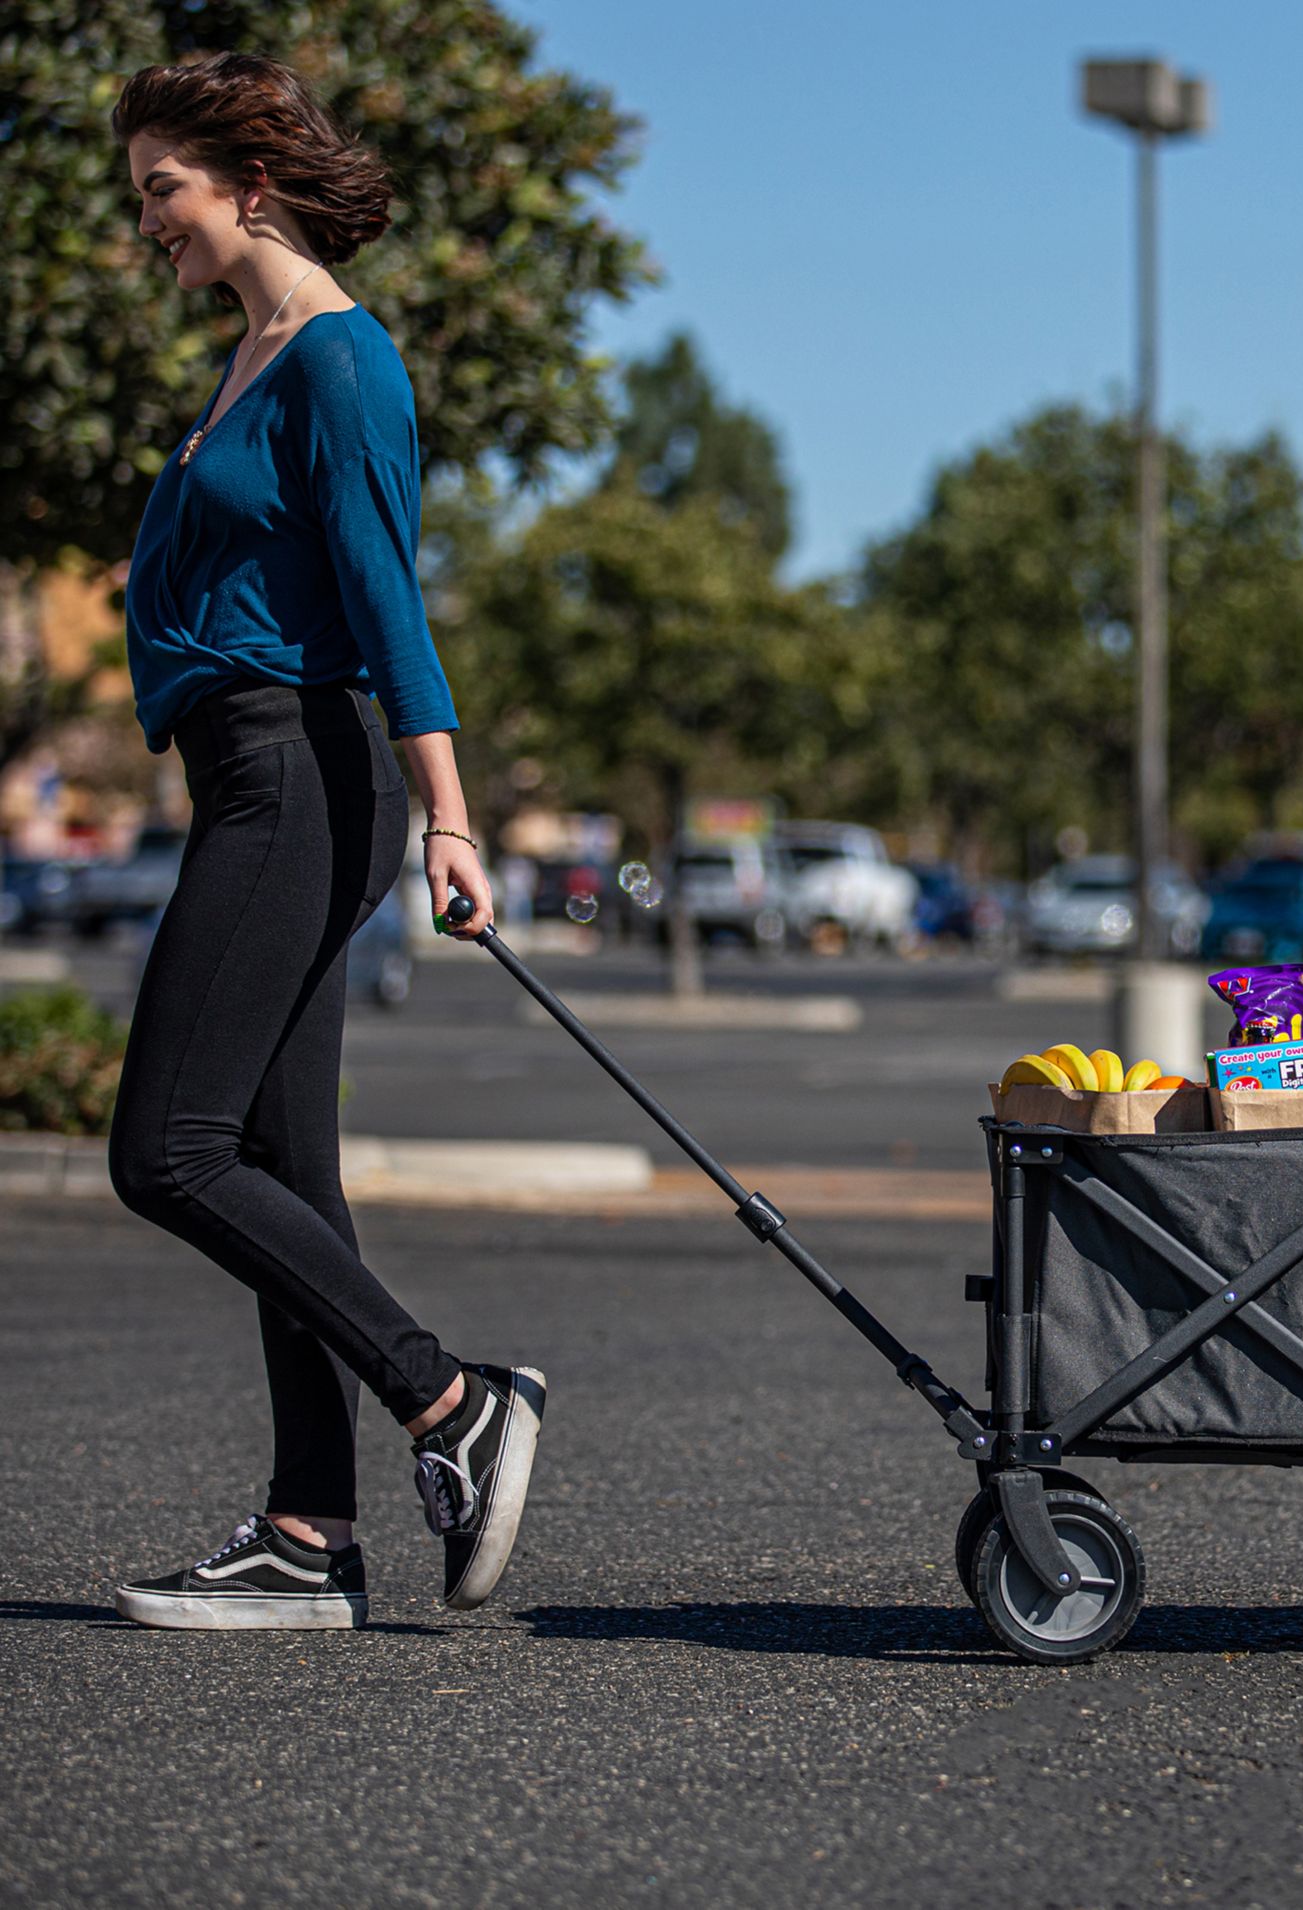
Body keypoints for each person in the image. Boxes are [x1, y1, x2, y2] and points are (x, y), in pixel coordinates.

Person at [104, 51, 543, 1630]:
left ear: (248, 182)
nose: (148, 218)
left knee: (165, 1149)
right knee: (284, 1168)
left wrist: (451, 812)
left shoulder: (340, 361)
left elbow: (382, 595)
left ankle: (452, 1406)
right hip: (252, 774)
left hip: (305, 773)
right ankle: (309, 1534)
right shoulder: (252, 353)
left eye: (165, 188)